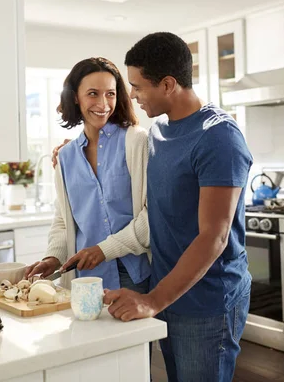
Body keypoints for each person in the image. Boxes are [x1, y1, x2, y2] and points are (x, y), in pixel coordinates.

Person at [103, 32, 253, 382]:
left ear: (168, 84)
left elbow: (214, 238)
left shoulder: (218, 138)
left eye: (138, 87)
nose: (132, 96)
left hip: (207, 303)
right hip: (170, 294)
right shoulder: (158, 131)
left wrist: (153, 300)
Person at [25, 57, 151, 296]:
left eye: (110, 94)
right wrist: (53, 257)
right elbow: (64, 220)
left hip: (132, 274)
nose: (103, 103)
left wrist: (103, 250)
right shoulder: (65, 156)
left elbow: (151, 214)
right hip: (84, 278)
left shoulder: (136, 141)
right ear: (75, 97)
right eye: (93, 93)